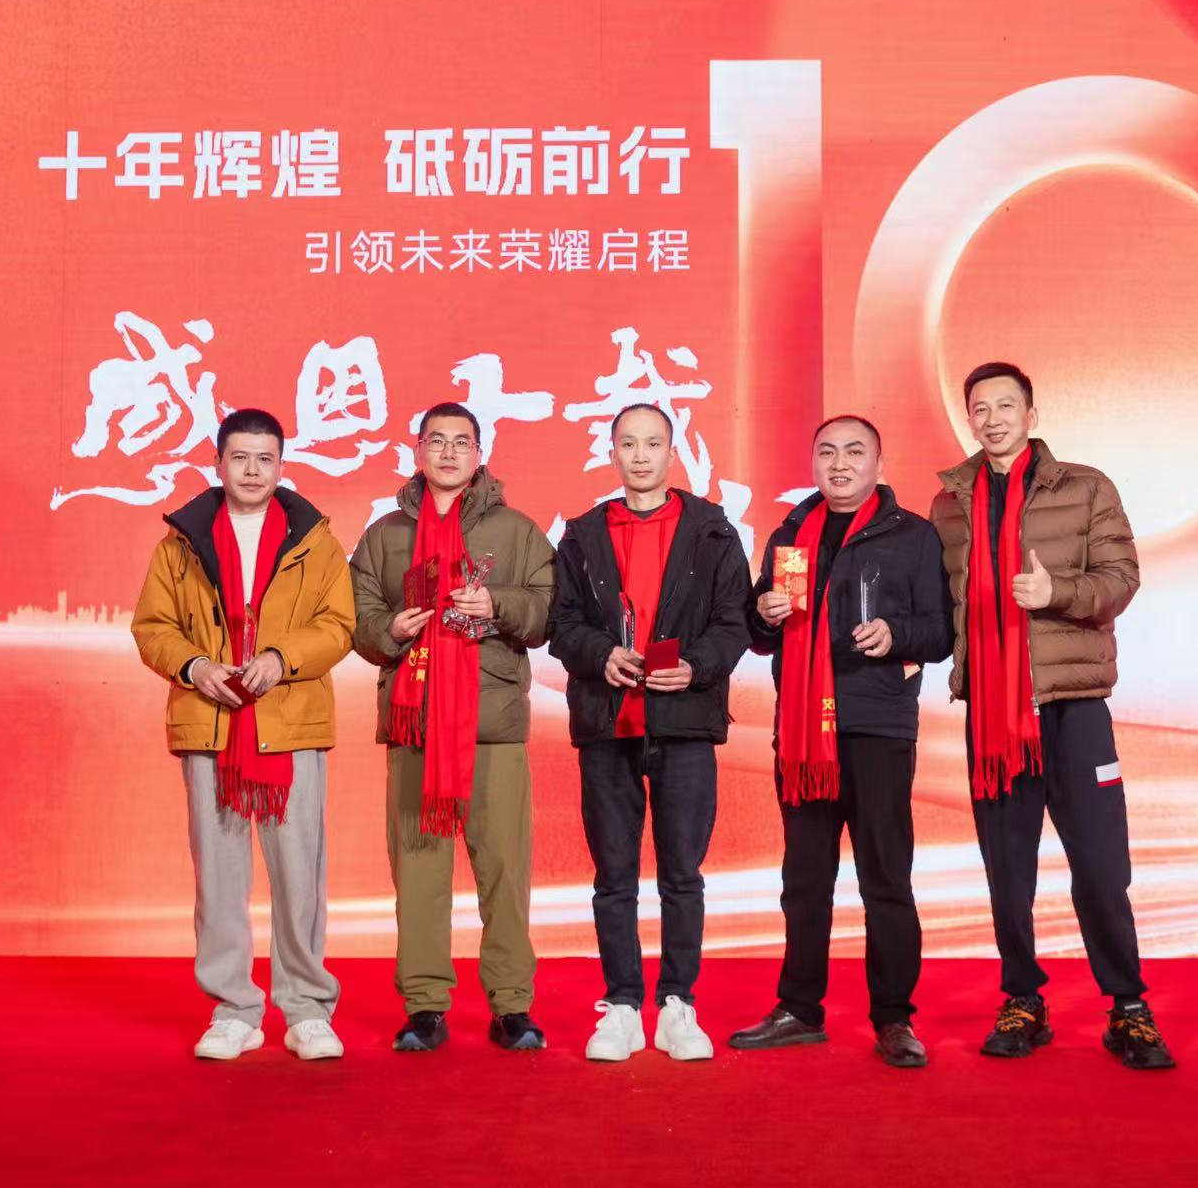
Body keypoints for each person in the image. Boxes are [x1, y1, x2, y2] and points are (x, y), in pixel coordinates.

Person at [931, 362, 1174, 1070]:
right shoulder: (951, 504)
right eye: (981, 408)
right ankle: (1022, 999)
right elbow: (941, 603)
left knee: (1100, 866)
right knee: (1007, 871)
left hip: (1072, 708)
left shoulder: (1087, 487)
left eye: (1006, 405)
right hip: (992, 715)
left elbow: (1121, 579)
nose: (993, 419)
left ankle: (1127, 1007)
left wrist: (1056, 592)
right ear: (969, 418)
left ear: (1031, 415)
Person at [130, 407, 357, 1061]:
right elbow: (153, 627)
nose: (253, 470)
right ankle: (233, 1009)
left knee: (300, 876)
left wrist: (282, 660)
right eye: (240, 458)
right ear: (218, 463)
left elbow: (338, 624)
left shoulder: (315, 541)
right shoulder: (180, 543)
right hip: (212, 724)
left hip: (290, 722)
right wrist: (195, 667)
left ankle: (306, 1009)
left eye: (265, 459)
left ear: (281, 466)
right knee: (219, 877)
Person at [728, 415, 953, 1068]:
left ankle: (894, 1018)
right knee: (804, 879)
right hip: (802, 732)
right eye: (826, 451)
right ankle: (800, 1008)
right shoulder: (790, 534)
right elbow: (759, 631)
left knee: (885, 877)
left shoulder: (912, 536)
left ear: (879, 464)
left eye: (855, 452)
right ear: (813, 463)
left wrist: (896, 636)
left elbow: (940, 632)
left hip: (876, 726)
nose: (840, 463)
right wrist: (762, 613)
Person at [349, 403, 556, 1051]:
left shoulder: (517, 531)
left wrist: (497, 604)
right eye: (435, 441)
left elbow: (548, 610)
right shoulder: (385, 535)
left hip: (491, 725)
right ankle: (425, 1006)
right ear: (417, 451)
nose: (447, 453)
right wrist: (390, 628)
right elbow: (357, 618)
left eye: (460, 442)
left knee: (504, 872)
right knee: (418, 872)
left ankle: (512, 1004)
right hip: (416, 723)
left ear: (479, 453)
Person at [548, 403, 752, 1062]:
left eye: (653, 444)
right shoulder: (581, 535)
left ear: (672, 451)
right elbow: (561, 624)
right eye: (629, 444)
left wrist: (698, 667)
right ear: (611, 452)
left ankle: (678, 1003)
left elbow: (735, 621)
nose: (640, 456)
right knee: (613, 874)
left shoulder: (712, 531)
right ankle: (622, 1005)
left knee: (682, 874)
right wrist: (598, 654)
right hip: (608, 721)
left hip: (684, 721)